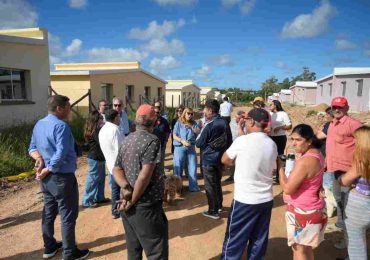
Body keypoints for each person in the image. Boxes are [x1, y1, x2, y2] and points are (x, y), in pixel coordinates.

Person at [28, 95, 89, 260]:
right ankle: (70, 253)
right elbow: (60, 153)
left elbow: (32, 148)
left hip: (46, 179)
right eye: (68, 107)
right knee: (68, 215)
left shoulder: (39, 124)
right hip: (60, 177)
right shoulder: (61, 126)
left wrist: (40, 160)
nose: (70, 109)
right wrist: (47, 167)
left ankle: (49, 247)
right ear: (59, 108)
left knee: (48, 212)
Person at [112, 104, 168, 260]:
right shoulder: (152, 141)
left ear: (136, 121)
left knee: (133, 249)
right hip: (145, 205)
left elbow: (116, 169)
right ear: (155, 121)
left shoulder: (127, 139)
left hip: (127, 204)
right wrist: (133, 199)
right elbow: (144, 176)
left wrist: (126, 188)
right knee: (156, 251)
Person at [220, 108, 277, 259]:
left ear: (251, 121)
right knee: (259, 240)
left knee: (234, 241)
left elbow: (225, 160)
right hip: (265, 200)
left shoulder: (242, 141)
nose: (243, 122)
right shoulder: (272, 144)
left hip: (245, 200)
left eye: (245, 120)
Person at [278, 124, 327, 260]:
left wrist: (280, 168)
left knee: (298, 249)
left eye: (298, 140)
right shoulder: (317, 154)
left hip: (303, 211)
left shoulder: (305, 161)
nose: (294, 143)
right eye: (292, 139)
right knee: (306, 248)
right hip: (314, 208)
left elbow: (287, 188)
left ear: (309, 141)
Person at [326, 96, 362, 249]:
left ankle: (352, 243)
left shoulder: (354, 125)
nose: (337, 110)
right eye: (334, 107)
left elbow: (365, 145)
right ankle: (342, 228)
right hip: (334, 169)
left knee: (349, 207)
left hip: (348, 173)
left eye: (340, 107)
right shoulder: (332, 124)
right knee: (339, 200)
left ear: (347, 108)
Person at [196, 99, 232, 219]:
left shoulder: (210, 125)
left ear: (210, 110)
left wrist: (200, 133)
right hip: (220, 159)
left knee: (210, 186)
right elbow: (230, 141)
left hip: (209, 160)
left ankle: (213, 211)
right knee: (217, 183)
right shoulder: (224, 123)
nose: (204, 111)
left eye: (205, 109)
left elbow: (199, 144)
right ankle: (219, 205)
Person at [339, 126, 370, 260]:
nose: (354, 142)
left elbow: (345, 181)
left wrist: (342, 179)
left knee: (356, 242)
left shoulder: (362, 161)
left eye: (356, 139)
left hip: (360, 205)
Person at [99, 109, 124, 219]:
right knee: (124, 188)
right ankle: (123, 210)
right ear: (115, 118)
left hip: (110, 164)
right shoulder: (115, 130)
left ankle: (115, 211)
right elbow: (120, 150)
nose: (120, 119)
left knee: (115, 190)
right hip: (119, 165)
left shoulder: (102, 129)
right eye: (119, 117)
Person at [82, 111, 108, 208]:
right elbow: (102, 142)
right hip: (95, 158)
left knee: (101, 179)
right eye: (101, 118)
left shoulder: (95, 129)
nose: (103, 120)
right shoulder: (96, 130)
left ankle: (99, 197)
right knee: (93, 179)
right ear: (96, 120)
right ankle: (87, 200)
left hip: (99, 157)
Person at [172, 107, 200, 192]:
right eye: (188, 113)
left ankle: (193, 187)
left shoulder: (194, 123)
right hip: (180, 147)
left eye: (192, 114)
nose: (190, 115)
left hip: (191, 147)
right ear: (184, 113)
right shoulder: (179, 123)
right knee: (178, 168)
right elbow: (174, 135)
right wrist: (182, 141)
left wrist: (191, 128)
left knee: (193, 167)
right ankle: (178, 188)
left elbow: (198, 132)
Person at [316, 107, 336, 217]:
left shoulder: (329, 125)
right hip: (333, 158)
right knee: (331, 183)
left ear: (330, 115)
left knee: (327, 185)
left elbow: (319, 136)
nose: (325, 116)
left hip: (328, 158)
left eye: (326, 115)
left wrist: (319, 130)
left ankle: (329, 209)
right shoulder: (335, 125)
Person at [269, 100, 292, 183]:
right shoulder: (270, 114)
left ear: (275, 105)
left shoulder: (283, 114)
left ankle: (279, 176)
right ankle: (270, 175)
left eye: (271, 104)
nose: (269, 105)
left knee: (279, 156)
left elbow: (289, 126)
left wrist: (279, 127)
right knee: (270, 156)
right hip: (270, 137)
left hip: (280, 138)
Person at [224, 110, 246, 182]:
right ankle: (232, 176)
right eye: (236, 117)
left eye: (238, 118)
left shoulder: (245, 124)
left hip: (242, 145)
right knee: (232, 160)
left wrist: (241, 126)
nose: (236, 119)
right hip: (232, 144)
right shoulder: (232, 121)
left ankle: (242, 176)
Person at [153, 106, 171, 174]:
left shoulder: (164, 121)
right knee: (153, 161)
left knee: (161, 160)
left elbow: (168, 131)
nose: (156, 114)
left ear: (160, 113)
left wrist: (166, 141)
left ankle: (162, 174)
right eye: (154, 112)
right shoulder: (150, 121)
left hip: (162, 144)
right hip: (152, 145)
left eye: (157, 112)